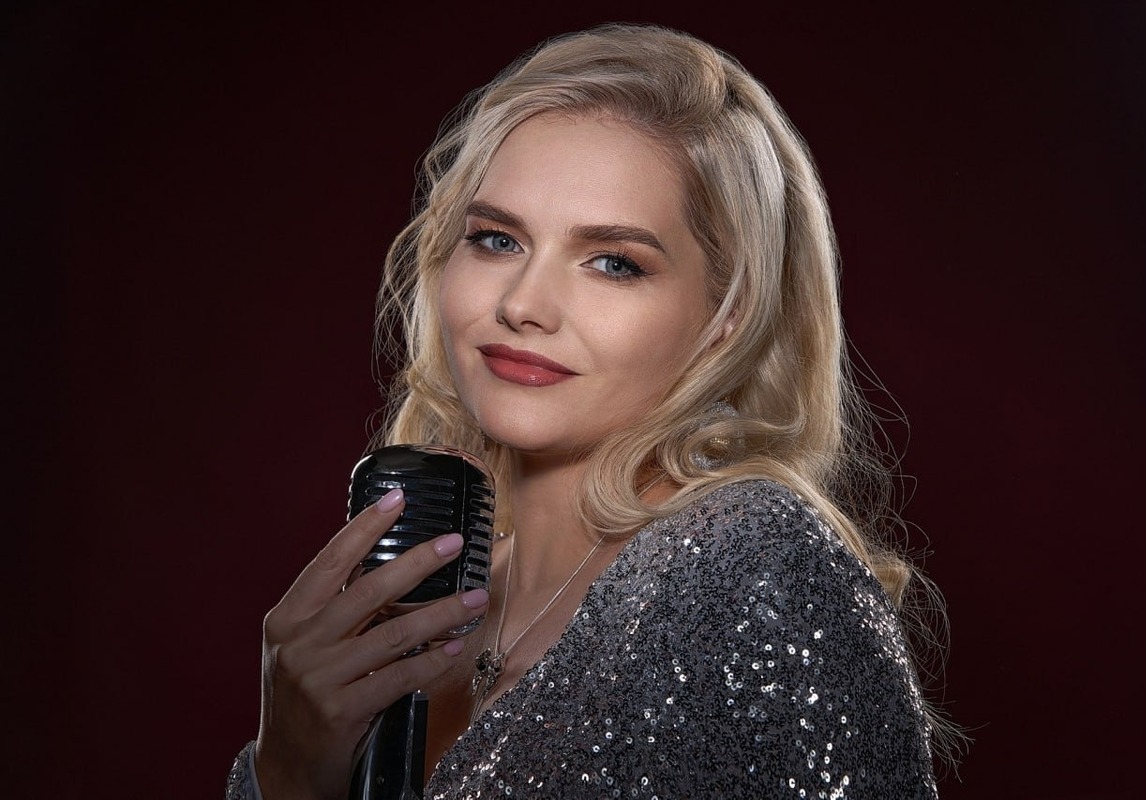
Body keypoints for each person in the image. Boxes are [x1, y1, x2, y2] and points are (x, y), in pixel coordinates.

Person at [227, 23, 944, 799]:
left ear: (726, 314)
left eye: (613, 263)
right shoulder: (428, 597)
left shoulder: (753, 568)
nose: (523, 304)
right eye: (497, 240)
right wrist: (287, 773)